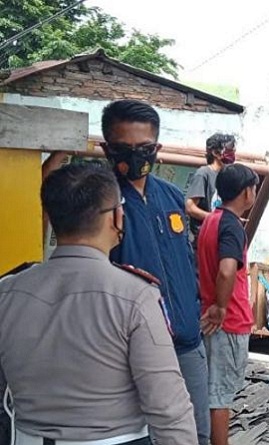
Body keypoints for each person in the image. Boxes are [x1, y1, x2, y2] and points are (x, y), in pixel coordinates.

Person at [0, 164, 197, 444]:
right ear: (118, 217)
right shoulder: (136, 296)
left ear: (52, 216)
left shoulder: (7, 290)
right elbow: (167, 406)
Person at [100, 99, 210, 445]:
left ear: (157, 148)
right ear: (106, 149)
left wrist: (197, 305)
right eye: (123, 149)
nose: (135, 157)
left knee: (195, 433)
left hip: (186, 341)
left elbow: (185, 258)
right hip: (130, 348)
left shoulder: (172, 196)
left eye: (144, 149)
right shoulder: (99, 202)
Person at [197, 164, 258, 445]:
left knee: (211, 391)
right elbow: (226, 270)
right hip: (227, 320)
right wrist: (221, 307)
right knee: (220, 396)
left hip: (211, 316)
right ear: (247, 192)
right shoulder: (233, 225)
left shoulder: (211, 220)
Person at [186, 133, 237, 250]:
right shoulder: (203, 174)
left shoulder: (225, 176)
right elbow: (190, 207)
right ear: (215, 153)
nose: (232, 154)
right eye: (228, 150)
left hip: (216, 240)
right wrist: (214, 218)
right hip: (199, 241)